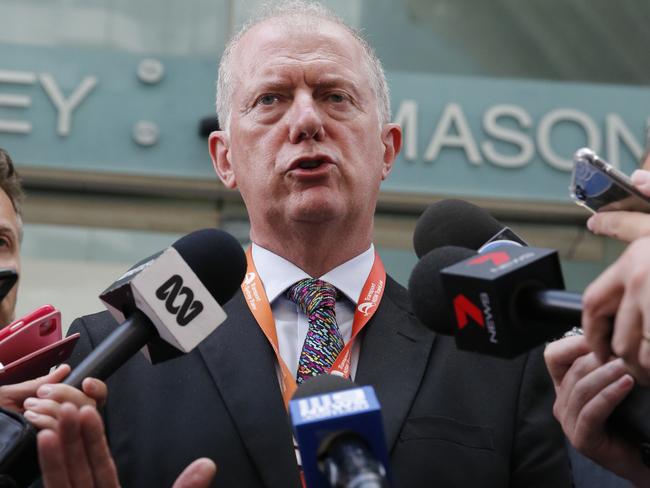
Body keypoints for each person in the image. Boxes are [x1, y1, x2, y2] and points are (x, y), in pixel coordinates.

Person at [24, 2, 571, 486]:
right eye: (271, 99)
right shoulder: (117, 352)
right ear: (224, 159)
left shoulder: (496, 359)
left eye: (335, 96)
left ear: (387, 151)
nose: (307, 121)